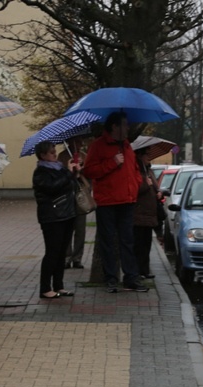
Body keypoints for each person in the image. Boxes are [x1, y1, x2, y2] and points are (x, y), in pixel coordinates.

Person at [83, 112, 147, 293]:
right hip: (107, 202)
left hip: (127, 200)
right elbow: (89, 171)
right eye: (125, 125)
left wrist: (135, 184)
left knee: (127, 241)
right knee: (108, 242)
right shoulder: (98, 146)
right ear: (114, 126)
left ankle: (131, 278)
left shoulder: (127, 146)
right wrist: (111, 163)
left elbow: (133, 169)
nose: (127, 128)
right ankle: (111, 278)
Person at [32, 141, 79, 299]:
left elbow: (69, 186)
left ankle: (59, 285)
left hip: (67, 214)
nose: (54, 154)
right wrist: (69, 174)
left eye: (54, 151)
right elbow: (52, 187)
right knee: (52, 252)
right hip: (52, 217)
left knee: (61, 253)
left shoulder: (59, 168)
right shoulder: (41, 172)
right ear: (43, 155)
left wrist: (72, 173)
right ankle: (45, 288)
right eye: (51, 152)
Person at [57, 136, 88, 269]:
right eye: (77, 141)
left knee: (80, 229)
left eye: (80, 141)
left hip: (81, 195)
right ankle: (66, 256)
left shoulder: (84, 156)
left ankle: (77, 258)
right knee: (68, 228)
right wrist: (69, 169)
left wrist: (81, 170)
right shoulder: (62, 157)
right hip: (67, 195)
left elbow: (89, 176)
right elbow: (59, 175)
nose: (80, 144)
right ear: (70, 142)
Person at [133, 147, 161, 279]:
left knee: (146, 244)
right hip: (139, 214)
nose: (149, 157)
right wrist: (146, 184)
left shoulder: (148, 170)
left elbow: (153, 187)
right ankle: (138, 271)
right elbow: (135, 190)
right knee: (139, 245)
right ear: (140, 156)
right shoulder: (137, 171)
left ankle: (145, 270)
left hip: (149, 215)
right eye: (146, 154)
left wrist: (158, 192)